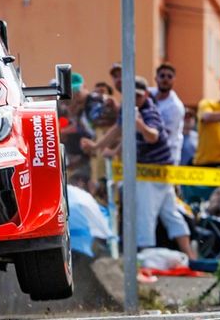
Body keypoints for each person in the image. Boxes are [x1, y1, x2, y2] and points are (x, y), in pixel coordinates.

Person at [82, 76, 195, 260]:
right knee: (170, 214)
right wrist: (99, 147)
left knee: (147, 216)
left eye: (138, 96)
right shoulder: (127, 109)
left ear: (146, 95)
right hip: (151, 171)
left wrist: (140, 125)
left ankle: (145, 258)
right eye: (131, 95)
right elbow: (121, 130)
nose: (134, 99)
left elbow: (153, 136)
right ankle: (189, 256)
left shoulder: (149, 112)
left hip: (152, 172)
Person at [149, 62, 184, 166]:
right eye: (162, 76)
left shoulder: (176, 107)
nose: (165, 79)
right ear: (156, 78)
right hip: (148, 155)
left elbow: (163, 134)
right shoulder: (147, 95)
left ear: (174, 80)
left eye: (169, 76)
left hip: (168, 156)